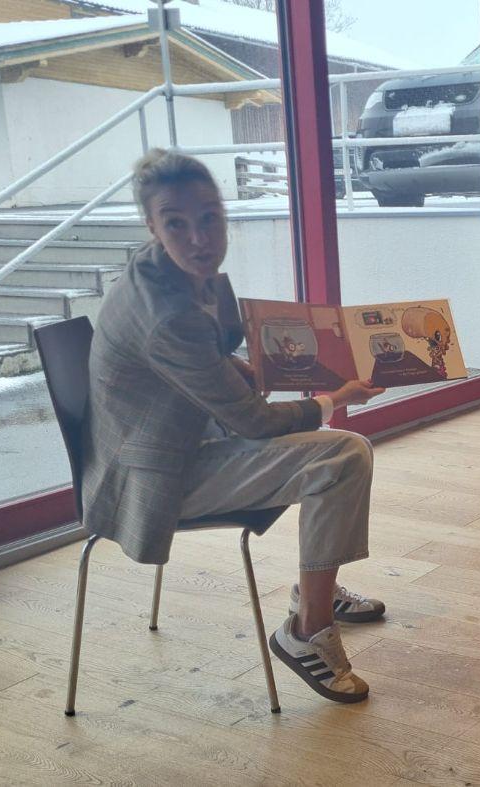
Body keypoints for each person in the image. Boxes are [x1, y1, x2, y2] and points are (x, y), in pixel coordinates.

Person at [83, 149, 386, 704]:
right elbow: (251, 419)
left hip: (179, 437)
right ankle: (307, 630)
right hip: (156, 479)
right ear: (151, 226)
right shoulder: (166, 314)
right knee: (344, 456)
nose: (200, 238)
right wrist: (334, 399)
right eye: (176, 223)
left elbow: (203, 362)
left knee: (336, 456)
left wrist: (239, 366)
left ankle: (315, 591)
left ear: (224, 214)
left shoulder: (162, 271)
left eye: (209, 218)